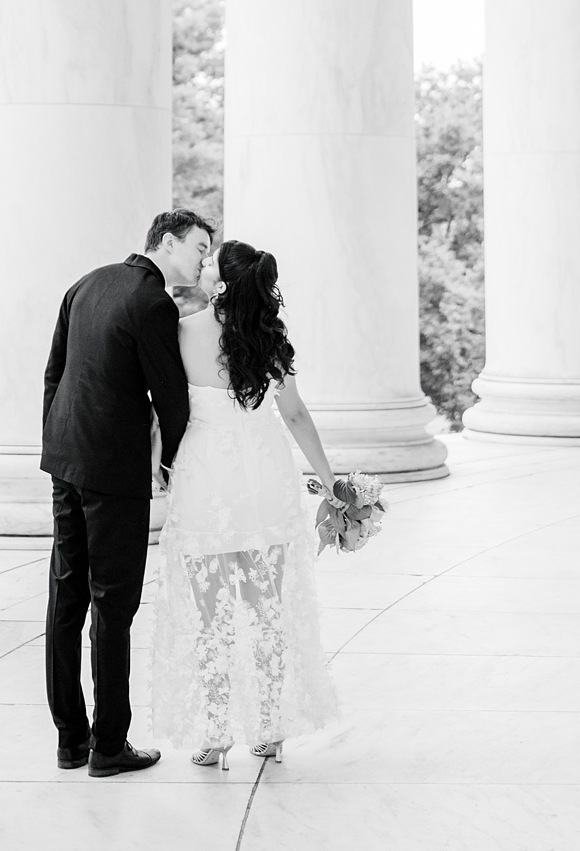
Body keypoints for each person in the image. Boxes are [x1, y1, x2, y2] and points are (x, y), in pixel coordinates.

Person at [151, 240, 341, 766]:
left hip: (206, 480)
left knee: (210, 615)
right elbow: (297, 415)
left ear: (225, 281)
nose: (204, 267)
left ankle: (215, 734)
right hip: (265, 479)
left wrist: (155, 466)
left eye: (210, 263)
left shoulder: (183, 331)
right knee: (268, 611)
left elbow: (162, 407)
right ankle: (272, 727)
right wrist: (330, 482)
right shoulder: (271, 339)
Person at [39, 208, 208, 777]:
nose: (205, 258)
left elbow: (54, 373)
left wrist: (56, 441)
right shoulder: (152, 301)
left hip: (66, 457)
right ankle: (109, 746)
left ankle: (70, 741)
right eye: (199, 247)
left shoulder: (86, 282)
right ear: (165, 241)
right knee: (114, 606)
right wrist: (170, 461)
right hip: (113, 468)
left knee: (67, 596)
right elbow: (172, 398)